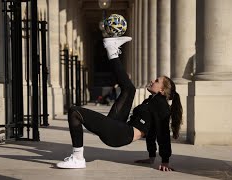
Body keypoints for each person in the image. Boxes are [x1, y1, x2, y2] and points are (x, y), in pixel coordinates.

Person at [56, 36, 183, 172]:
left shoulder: (161, 105)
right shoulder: (150, 101)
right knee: (130, 89)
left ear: (162, 90)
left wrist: (165, 160)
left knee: (75, 112)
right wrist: (151, 156)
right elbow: (150, 133)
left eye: (157, 81)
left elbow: (162, 133)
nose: (152, 81)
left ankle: (77, 158)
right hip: (121, 128)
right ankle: (112, 51)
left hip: (120, 135)